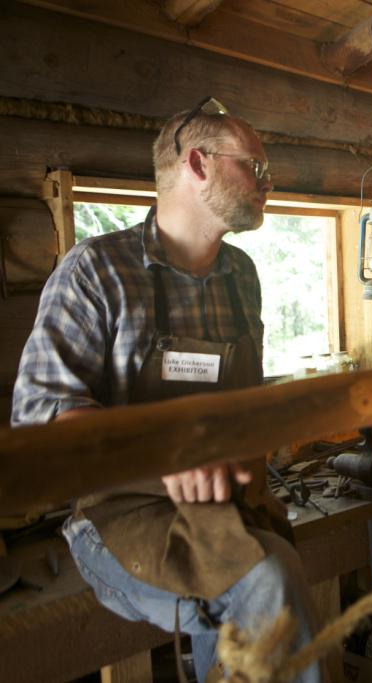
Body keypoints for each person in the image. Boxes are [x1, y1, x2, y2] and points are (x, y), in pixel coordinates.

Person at [11, 97, 324, 683]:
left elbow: (245, 411)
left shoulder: (241, 278)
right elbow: (41, 425)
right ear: (198, 164)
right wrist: (168, 455)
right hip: (121, 515)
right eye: (254, 166)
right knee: (266, 579)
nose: (268, 181)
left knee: (264, 582)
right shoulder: (95, 271)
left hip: (227, 507)